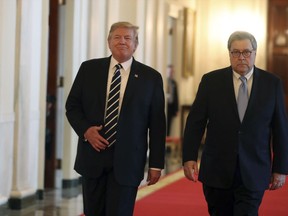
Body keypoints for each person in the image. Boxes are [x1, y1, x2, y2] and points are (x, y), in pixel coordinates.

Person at [182, 31, 288, 216]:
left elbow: (280, 129)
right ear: (229, 54)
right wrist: (189, 156)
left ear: (255, 53)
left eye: (246, 52)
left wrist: (280, 168)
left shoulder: (272, 84)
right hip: (217, 170)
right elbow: (195, 122)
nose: (241, 57)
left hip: (254, 169)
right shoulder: (211, 81)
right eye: (235, 52)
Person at [65, 21, 166, 216]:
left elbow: (157, 124)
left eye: (128, 38)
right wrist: (86, 130)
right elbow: (72, 107)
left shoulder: (151, 77)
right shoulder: (89, 69)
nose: (122, 41)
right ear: (108, 42)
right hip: (92, 157)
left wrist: (155, 164)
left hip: (129, 162)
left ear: (135, 44)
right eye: (117, 37)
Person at [166, 65, 179, 136]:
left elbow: (176, 96)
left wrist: (176, 109)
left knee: (169, 125)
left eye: (172, 72)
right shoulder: (164, 81)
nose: (171, 73)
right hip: (165, 106)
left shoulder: (174, 83)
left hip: (171, 107)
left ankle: (168, 142)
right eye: (170, 71)